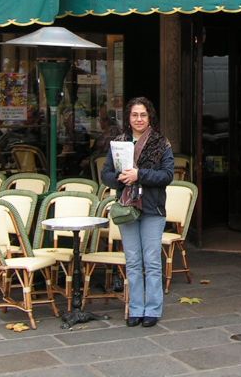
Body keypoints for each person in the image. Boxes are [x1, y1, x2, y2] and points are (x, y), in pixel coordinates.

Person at [101, 96, 174, 328]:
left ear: (149, 116)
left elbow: (167, 175)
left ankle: (152, 309)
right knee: (132, 261)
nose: (139, 119)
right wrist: (121, 178)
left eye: (143, 114)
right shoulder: (119, 142)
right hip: (127, 207)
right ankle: (135, 308)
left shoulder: (162, 143)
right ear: (128, 118)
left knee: (151, 260)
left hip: (153, 209)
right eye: (134, 115)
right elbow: (106, 174)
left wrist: (139, 174)